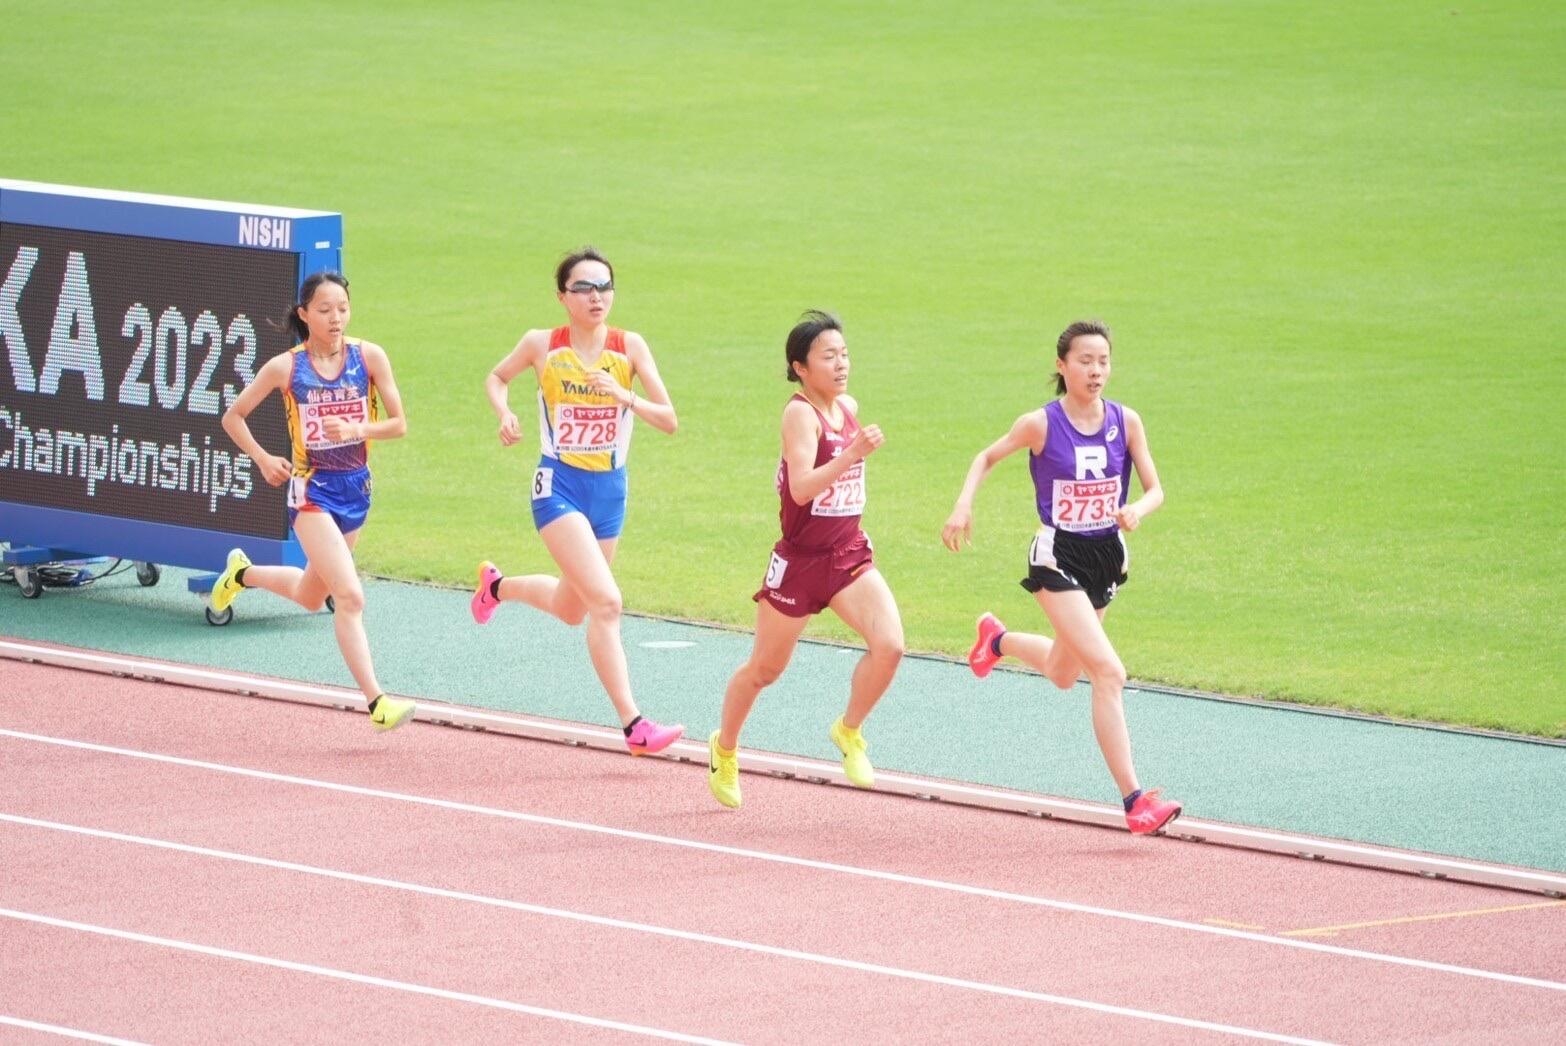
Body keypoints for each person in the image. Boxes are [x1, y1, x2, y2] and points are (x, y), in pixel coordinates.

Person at [941, 319, 1181, 835]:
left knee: (1063, 672)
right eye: (1085, 361)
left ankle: (996, 640)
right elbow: (986, 456)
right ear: (1061, 365)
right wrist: (963, 507)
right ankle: (1135, 802)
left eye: (1104, 361)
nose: (1096, 371)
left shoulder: (1126, 420)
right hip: (1058, 557)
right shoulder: (1040, 424)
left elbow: (1157, 488)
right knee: (1109, 673)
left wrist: (1138, 508)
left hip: (1106, 558)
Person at [470, 247, 684, 755]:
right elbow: (496, 377)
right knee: (606, 603)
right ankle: (635, 727)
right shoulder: (542, 344)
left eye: (605, 286)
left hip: (610, 491)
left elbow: (669, 419)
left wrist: (622, 394)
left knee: (572, 607)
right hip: (558, 486)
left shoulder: (629, 347)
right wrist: (503, 413)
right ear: (562, 296)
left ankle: (496, 588)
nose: (597, 297)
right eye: (584, 288)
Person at [707, 310, 905, 809]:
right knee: (765, 670)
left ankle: (848, 730)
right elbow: (800, 487)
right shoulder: (799, 414)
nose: (841, 364)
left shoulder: (849, 406)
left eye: (844, 354)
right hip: (800, 562)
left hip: (847, 554)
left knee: (891, 646)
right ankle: (724, 749)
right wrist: (851, 455)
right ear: (800, 366)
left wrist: (852, 451)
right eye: (828, 356)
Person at [214, 271, 415, 731]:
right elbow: (233, 416)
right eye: (324, 310)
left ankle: (241, 574)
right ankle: (377, 703)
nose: (336, 318)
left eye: (342, 308)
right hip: (312, 491)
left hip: (356, 488)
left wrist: (359, 429)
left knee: (310, 594)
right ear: (304, 315)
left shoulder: (369, 357)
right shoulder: (286, 367)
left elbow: (400, 424)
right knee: (350, 595)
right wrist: (265, 459)